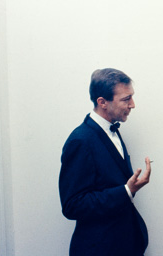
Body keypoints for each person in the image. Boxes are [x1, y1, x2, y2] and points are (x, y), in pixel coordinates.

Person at [59, 68, 151, 256]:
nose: (132, 104)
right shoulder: (80, 140)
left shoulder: (113, 129)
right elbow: (72, 205)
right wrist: (127, 191)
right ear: (102, 102)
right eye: (126, 99)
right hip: (98, 249)